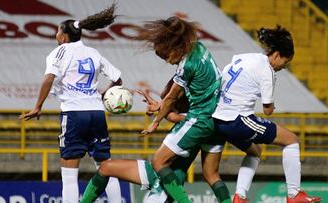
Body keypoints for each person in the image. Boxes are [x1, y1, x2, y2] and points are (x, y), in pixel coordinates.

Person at [80, 16, 231, 203]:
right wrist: (162, 106)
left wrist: (156, 121)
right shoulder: (199, 50)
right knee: (105, 168)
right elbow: (171, 103)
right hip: (158, 173)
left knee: (159, 161)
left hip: (164, 186)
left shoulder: (194, 118)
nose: (168, 61)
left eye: (166, 56)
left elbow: (171, 97)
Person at [19, 3, 123, 203]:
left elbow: (49, 78)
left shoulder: (60, 52)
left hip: (75, 114)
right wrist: (103, 96)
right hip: (96, 112)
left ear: (64, 36)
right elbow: (118, 79)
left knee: (69, 175)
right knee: (106, 167)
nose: (56, 35)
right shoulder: (94, 53)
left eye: (58, 31)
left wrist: (38, 106)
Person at [212, 25, 322, 203]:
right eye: (285, 63)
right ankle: (294, 194)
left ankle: (240, 197)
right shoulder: (267, 71)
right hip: (237, 120)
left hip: (219, 118)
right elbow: (268, 110)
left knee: (255, 152)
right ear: (277, 55)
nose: (283, 67)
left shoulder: (245, 57)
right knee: (291, 140)